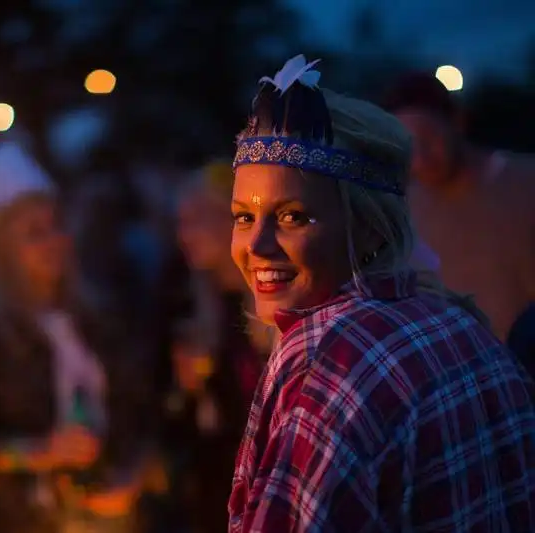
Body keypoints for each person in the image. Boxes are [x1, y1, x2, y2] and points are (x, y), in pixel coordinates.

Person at [226, 54, 535, 532]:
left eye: (293, 217)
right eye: (244, 216)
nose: (257, 245)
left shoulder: (326, 361)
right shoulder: (457, 322)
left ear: (370, 229)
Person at [0, 141, 153, 533]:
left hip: (113, 516)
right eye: (34, 233)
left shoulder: (96, 316)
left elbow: (139, 410)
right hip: (31, 520)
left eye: (56, 227)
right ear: (4, 250)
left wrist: (134, 472)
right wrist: (41, 452)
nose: (53, 242)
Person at [383, 72, 535, 344]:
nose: (420, 157)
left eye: (428, 138)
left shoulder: (524, 183)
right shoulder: (406, 209)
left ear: (457, 122)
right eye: (407, 145)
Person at [167, 161, 273, 533]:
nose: (184, 235)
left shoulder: (276, 306)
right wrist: (190, 390)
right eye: (180, 222)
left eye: (197, 219)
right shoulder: (199, 308)